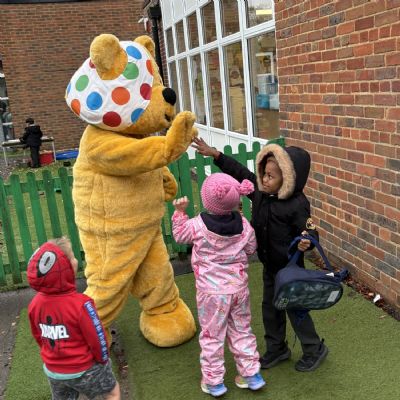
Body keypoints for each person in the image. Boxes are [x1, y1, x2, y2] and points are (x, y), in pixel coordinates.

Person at [192, 137, 327, 373]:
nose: (264, 179)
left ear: (289, 179)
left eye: (271, 176)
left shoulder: (297, 204)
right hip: (270, 267)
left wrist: (307, 241)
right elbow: (240, 172)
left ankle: (314, 349)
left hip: (290, 269)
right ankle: (277, 348)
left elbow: (310, 231)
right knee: (271, 309)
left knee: (295, 309)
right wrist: (216, 155)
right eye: (264, 173)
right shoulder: (260, 193)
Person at [172, 173, 266, 397]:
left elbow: (180, 235)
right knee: (242, 330)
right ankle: (251, 375)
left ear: (207, 200)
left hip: (212, 293)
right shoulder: (244, 225)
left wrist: (179, 213)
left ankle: (214, 381)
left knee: (212, 335)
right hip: (238, 289)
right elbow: (251, 248)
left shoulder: (196, 225)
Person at [27, 237, 121, 400]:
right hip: (84, 369)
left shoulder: (34, 304)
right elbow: (97, 337)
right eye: (72, 257)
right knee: (112, 392)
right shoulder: (82, 304)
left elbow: (38, 336)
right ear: (66, 268)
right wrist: (103, 360)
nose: (75, 259)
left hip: (53, 371)